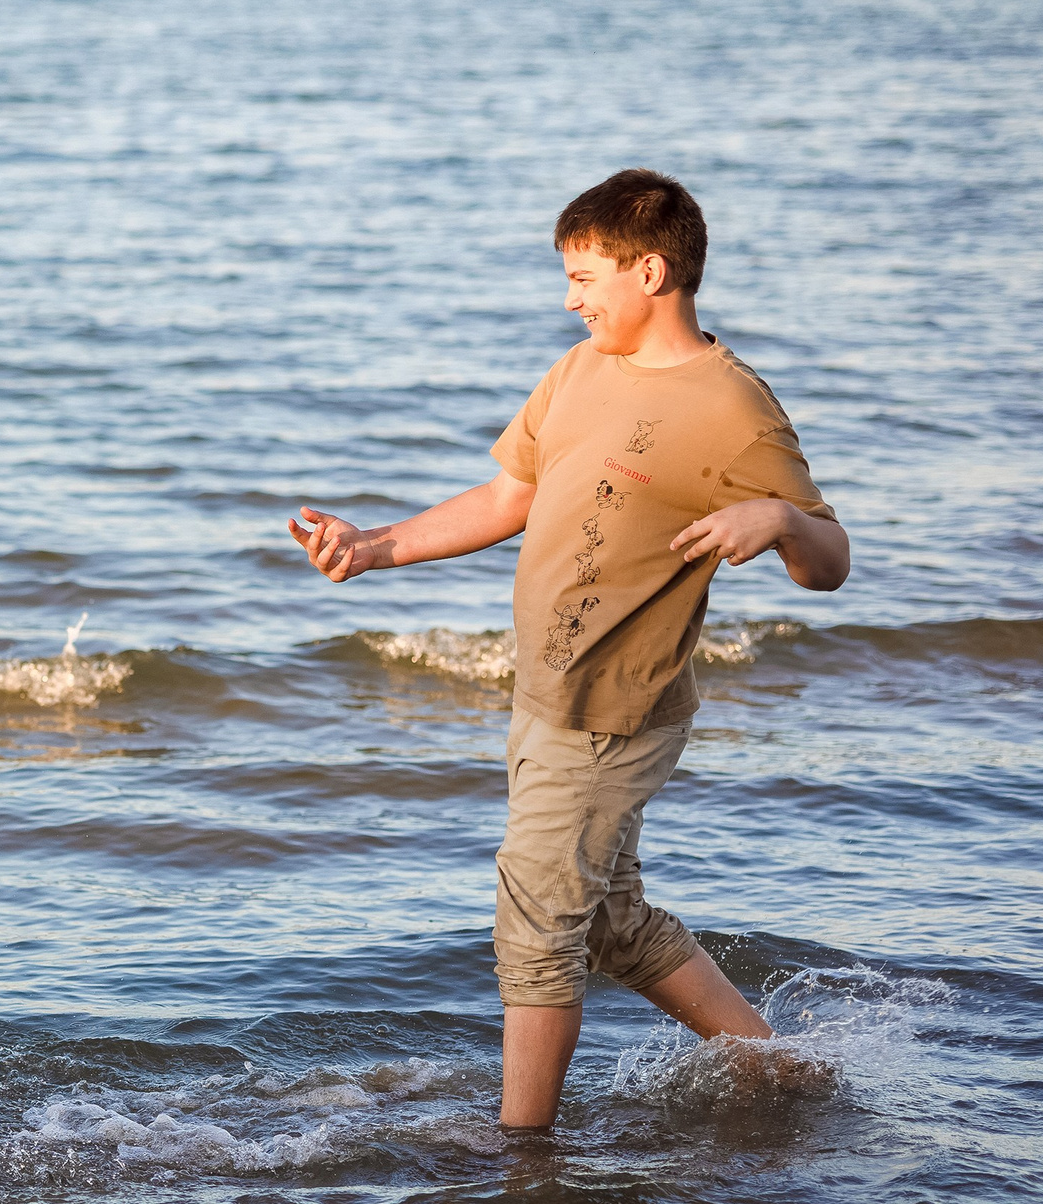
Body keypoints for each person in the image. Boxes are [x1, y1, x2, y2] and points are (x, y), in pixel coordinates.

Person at [288, 169, 850, 1130]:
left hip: (612, 714)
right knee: (610, 922)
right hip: (544, 696)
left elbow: (831, 558)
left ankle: (522, 1154)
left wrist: (777, 518)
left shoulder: (733, 407)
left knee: (537, 929)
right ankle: (776, 1067)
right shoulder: (580, 369)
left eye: (586, 276)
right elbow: (508, 496)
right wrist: (378, 546)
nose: (570, 296)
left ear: (652, 270)